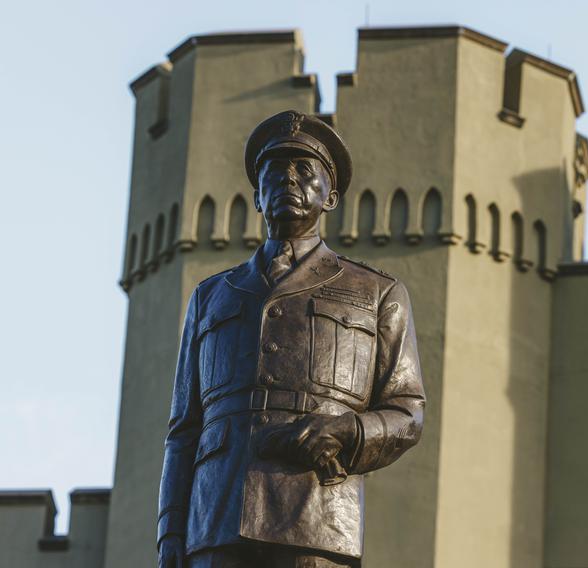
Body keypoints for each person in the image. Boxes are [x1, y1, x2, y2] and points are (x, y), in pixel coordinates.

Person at [157, 111, 425, 568]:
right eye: (274, 171)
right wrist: (169, 533)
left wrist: (347, 429)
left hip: (317, 519)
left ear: (331, 196)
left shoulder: (378, 293)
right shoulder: (211, 297)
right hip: (214, 521)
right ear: (257, 197)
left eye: (305, 170)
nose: (288, 179)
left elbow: (408, 413)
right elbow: (184, 430)